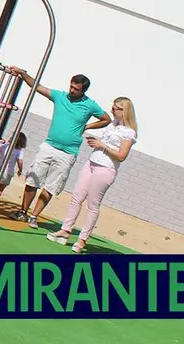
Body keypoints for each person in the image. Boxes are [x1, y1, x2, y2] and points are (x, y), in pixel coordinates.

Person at [8, 66, 111, 228]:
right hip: (49, 146)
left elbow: (106, 119)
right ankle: (23, 212)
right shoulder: (60, 96)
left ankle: (34, 217)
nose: (72, 90)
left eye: (76, 89)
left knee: (51, 186)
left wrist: (88, 126)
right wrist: (23, 74)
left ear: (83, 91)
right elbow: (38, 87)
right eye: (71, 86)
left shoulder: (90, 105)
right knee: (32, 179)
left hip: (68, 153)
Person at [47, 97, 137, 252]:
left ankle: (82, 239)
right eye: (113, 106)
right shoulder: (112, 125)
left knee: (93, 205)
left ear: (124, 111)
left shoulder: (129, 132)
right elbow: (104, 143)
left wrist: (102, 145)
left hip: (106, 168)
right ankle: (65, 230)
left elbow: (122, 156)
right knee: (76, 197)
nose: (112, 110)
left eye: (115, 108)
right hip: (92, 162)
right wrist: (96, 141)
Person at [0, 132, 29, 206]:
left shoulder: (5, 146)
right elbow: (20, 161)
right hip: (8, 172)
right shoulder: (19, 151)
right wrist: (20, 170)